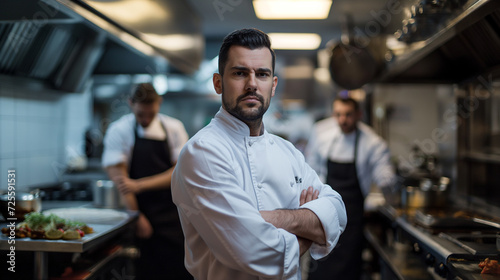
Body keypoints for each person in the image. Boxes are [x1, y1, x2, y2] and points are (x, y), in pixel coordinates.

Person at [171, 28, 347, 280]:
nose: (252, 84)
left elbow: (337, 213)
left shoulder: (287, 151)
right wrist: (308, 228)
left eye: (262, 74)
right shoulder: (203, 152)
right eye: (240, 73)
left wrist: (268, 219)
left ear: (273, 85)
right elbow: (253, 251)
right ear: (218, 83)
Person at [101, 83, 191, 279]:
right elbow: (121, 181)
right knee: (146, 271)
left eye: (150, 114)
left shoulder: (173, 128)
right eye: (141, 115)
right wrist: (136, 216)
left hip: (172, 214)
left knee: (178, 268)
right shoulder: (120, 130)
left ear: (159, 103)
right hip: (141, 212)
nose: (146, 119)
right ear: (131, 103)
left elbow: (180, 172)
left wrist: (139, 184)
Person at [305, 97, 397, 280]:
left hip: (353, 218)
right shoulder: (321, 133)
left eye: (348, 115)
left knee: (349, 268)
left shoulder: (372, 142)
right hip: (324, 215)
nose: (343, 120)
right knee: (320, 268)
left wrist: (389, 189)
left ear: (358, 115)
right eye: (338, 115)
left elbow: (384, 173)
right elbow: (310, 168)